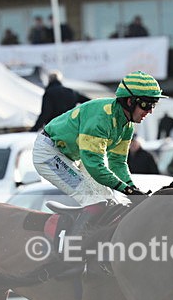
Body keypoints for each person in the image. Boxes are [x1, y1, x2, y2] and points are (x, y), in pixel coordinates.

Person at [30, 70, 164, 282]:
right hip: (49, 153)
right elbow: (95, 165)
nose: (150, 111)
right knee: (95, 199)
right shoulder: (102, 117)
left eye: (154, 105)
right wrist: (127, 189)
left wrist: (131, 188)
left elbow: (118, 164)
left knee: (112, 199)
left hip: (70, 156)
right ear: (130, 101)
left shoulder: (126, 125)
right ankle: (69, 258)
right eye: (147, 104)